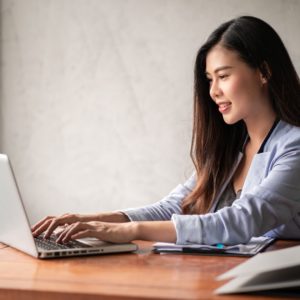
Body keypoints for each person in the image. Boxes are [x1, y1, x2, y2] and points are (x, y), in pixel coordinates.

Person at [31, 16, 300, 246]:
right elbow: (175, 208)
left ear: (264, 71)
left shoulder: (294, 146)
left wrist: (132, 231)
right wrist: (91, 220)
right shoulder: (231, 147)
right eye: (209, 80)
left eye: (224, 76)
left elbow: (242, 220)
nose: (213, 91)